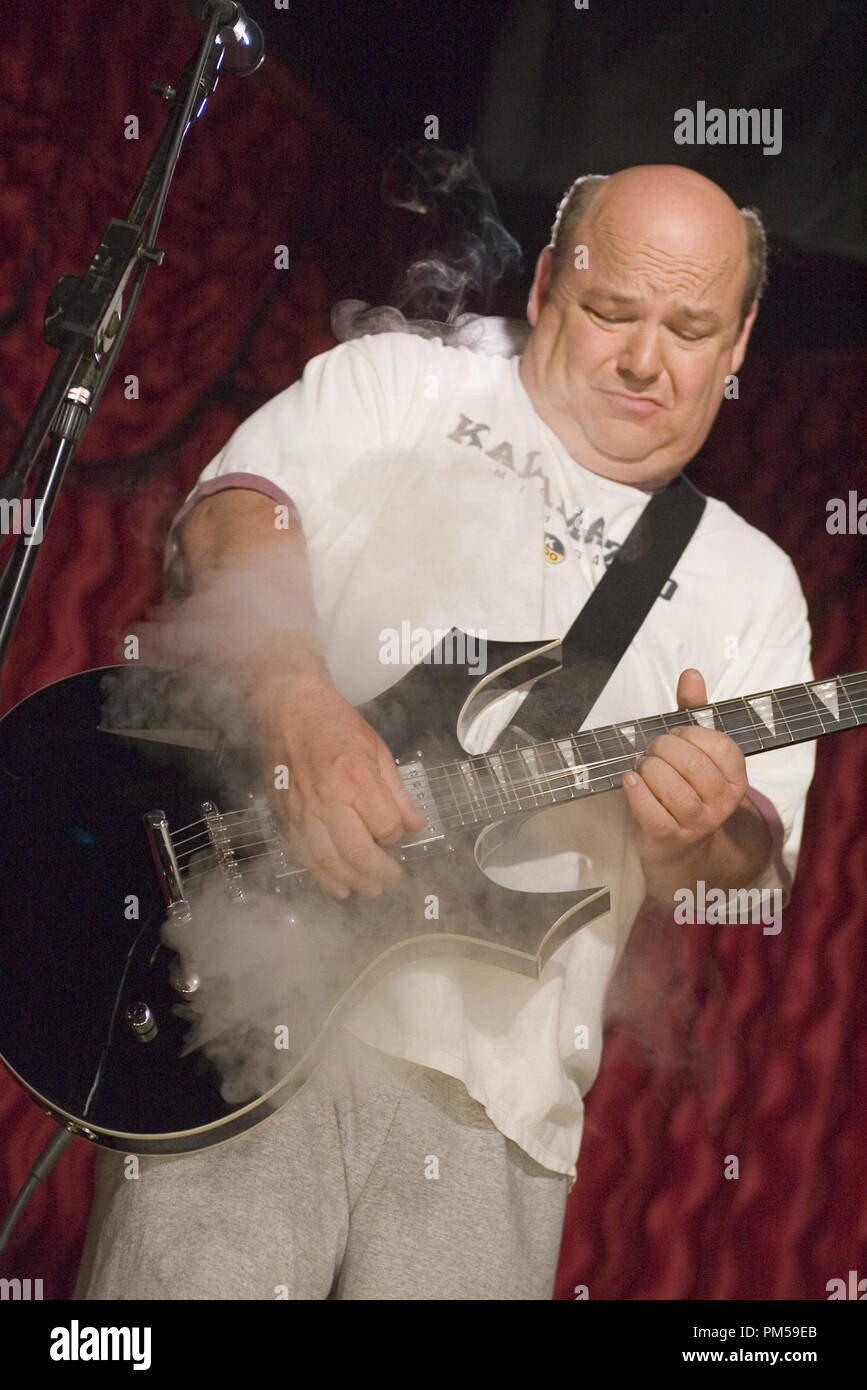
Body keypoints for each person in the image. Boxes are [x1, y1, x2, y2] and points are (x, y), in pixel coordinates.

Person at [74, 164, 815, 1300]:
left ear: (742, 342)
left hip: (499, 1105)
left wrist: (699, 834)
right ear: (551, 284)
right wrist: (297, 702)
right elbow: (230, 515)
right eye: (613, 310)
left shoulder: (752, 581)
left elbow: (748, 865)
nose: (643, 359)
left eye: (690, 328)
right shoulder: (398, 385)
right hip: (248, 1016)